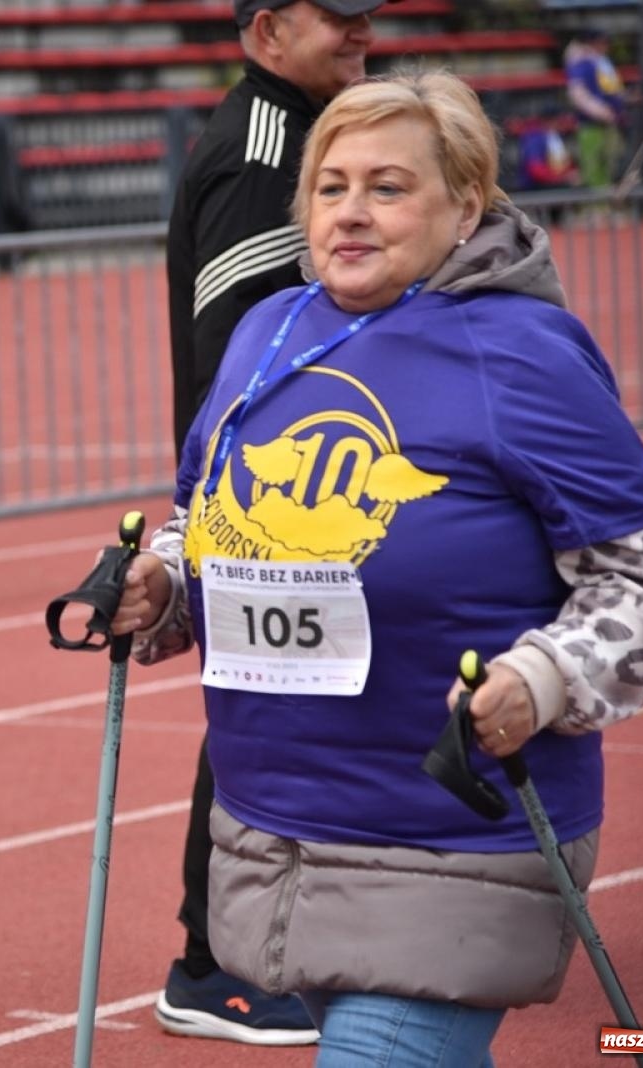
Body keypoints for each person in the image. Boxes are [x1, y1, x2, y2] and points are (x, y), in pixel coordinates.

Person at [114, 69, 643, 1065]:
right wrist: (157, 586)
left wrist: (539, 679)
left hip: (446, 839)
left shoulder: (525, 353)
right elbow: (202, 522)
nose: (349, 212)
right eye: (330, 187)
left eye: (387, 187)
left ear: (463, 204)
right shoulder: (268, 332)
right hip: (269, 833)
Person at [158, 0, 387, 1044]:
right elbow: (238, 346)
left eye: (367, 13)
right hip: (268, 502)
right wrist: (251, 496)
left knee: (308, 703)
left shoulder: (307, 133)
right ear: (264, 32)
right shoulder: (263, 152)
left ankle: (291, 938)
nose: (359, 29)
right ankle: (213, 964)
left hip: (316, 494)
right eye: (336, 14)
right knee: (260, 714)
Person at [564, 28, 626, 190]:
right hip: (591, 124)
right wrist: (601, 112)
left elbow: (611, 88)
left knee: (610, 166)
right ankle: (597, 208)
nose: (606, 45)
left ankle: (607, 205)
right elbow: (578, 94)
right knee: (593, 168)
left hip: (610, 122)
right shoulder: (581, 62)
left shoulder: (602, 62)